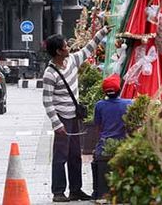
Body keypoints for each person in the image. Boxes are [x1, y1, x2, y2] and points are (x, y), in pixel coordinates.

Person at [42, 26, 111, 203]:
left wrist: (102, 32)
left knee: (75, 155)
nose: (69, 48)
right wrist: (57, 124)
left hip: (74, 117)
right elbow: (47, 101)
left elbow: (88, 49)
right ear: (58, 51)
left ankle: (75, 190)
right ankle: (58, 191)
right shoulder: (50, 74)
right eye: (65, 46)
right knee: (60, 156)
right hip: (62, 119)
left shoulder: (72, 60)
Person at [91, 73, 132, 200]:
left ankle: (97, 192)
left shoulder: (100, 105)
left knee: (96, 157)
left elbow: (98, 129)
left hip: (104, 148)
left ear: (104, 92)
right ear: (119, 89)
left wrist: (97, 146)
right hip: (123, 147)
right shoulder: (129, 103)